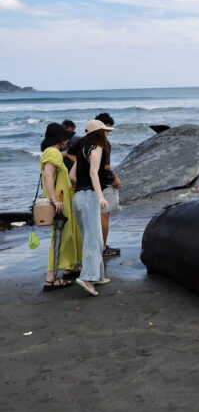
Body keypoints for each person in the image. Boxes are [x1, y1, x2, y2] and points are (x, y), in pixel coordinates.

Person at [39, 123, 82, 291]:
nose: (67, 141)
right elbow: (49, 175)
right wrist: (55, 199)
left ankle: (68, 268)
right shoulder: (53, 153)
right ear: (59, 139)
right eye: (65, 138)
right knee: (59, 239)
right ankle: (51, 279)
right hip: (59, 203)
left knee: (64, 237)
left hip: (62, 200)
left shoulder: (52, 153)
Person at [71, 119, 112, 296]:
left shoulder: (82, 150)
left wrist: (82, 185)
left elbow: (72, 175)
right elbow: (93, 172)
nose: (107, 134)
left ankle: (99, 276)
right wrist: (100, 196)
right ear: (99, 133)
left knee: (93, 238)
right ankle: (87, 278)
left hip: (78, 196)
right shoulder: (97, 148)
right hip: (89, 197)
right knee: (93, 239)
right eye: (105, 131)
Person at [94, 112, 121, 258]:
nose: (108, 133)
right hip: (103, 184)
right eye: (107, 129)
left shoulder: (86, 141)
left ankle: (95, 246)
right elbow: (106, 167)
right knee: (104, 215)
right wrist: (115, 180)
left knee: (94, 217)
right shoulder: (104, 143)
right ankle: (103, 248)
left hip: (90, 185)